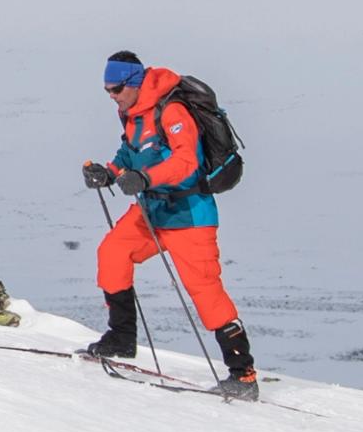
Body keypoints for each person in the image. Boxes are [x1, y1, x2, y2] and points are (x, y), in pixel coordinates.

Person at [79, 50, 260, 394]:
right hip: (152, 212)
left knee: (206, 291)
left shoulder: (171, 110)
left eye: (116, 89)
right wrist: (109, 172)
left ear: (133, 83)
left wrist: (144, 179)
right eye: (107, 91)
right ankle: (121, 338)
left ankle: (243, 374)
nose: (112, 97)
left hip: (189, 213)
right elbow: (129, 153)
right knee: (112, 254)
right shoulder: (131, 113)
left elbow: (186, 163)